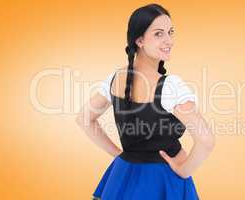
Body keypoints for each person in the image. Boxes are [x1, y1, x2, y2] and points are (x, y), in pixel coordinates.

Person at [76, 3, 215, 200]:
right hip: (164, 180)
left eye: (170, 32)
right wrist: (184, 170)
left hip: (122, 175)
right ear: (139, 40)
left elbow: (84, 118)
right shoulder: (171, 86)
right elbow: (206, 140)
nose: (169, 41)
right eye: (159, 34)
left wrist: (119, 156)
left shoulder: (115, 78)